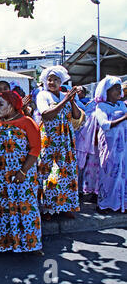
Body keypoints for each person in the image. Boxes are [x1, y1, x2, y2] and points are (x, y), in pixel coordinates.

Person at [0, 91, 43, 254]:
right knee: (2, 209)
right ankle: (5, 243)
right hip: (1, 178)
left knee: (25, 208)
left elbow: (35, 149)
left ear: (11, 105)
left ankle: (30, 244)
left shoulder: (27, 123)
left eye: (1, 104)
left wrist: (23, 172)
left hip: (21, 177)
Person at [36, 66, 85, 220]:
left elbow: (76, 116)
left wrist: (72, 101)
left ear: (61, 81)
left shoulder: (65, 95)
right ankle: (47, 208)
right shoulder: (43, 95)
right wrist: (64, 101)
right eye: (49, 79)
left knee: (66, 173)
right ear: (45, 81)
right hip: (50, 140)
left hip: (66, 140)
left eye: (56, 79)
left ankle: (65, 206)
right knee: (49, 173)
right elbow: (46, 115)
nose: (52, 82)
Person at [93, 76, 126, 213]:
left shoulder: (121, 105)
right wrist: (124, 117)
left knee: (122, 174)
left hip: (123, 147)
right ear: (107, 91)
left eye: (119, 88)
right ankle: (104, 204)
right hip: (109, 147)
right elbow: (105, 125)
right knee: (108, 174)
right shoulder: (101, 106)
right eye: (115, 88)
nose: (119, 91)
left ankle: (119, 204)